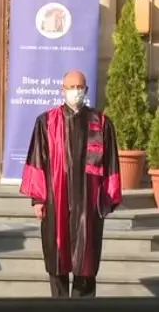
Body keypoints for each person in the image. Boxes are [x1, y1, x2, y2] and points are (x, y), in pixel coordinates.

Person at [20, 69, 122, 298]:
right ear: (62, 90)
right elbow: (38, 160)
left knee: (85, 258)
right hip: (57, 200)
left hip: (88, 202)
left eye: (80, 87)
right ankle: (59, 305)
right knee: (58, 258)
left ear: (86, 90)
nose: (75, 91)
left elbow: (111, 165)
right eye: (71, 87)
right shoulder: (46, 122)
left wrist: (107, 199)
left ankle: (83, 306)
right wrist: (38, 198)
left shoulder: (102, 123)